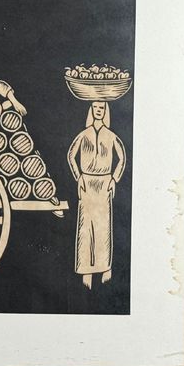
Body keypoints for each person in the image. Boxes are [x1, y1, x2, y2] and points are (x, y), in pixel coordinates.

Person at [67, 100, 126, 289]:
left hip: (104, 184)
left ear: (105, 110)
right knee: (85, 227)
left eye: (102, 108)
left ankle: (105, 268)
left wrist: (114, 178)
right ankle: (86, 272)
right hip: (87, 183)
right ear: (91, 110)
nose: (98, 110)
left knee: (103, 227)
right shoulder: (84, 134)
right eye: (95, 108)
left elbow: (122, 158)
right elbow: (71, 155)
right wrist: (78, 176)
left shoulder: (111, 136)